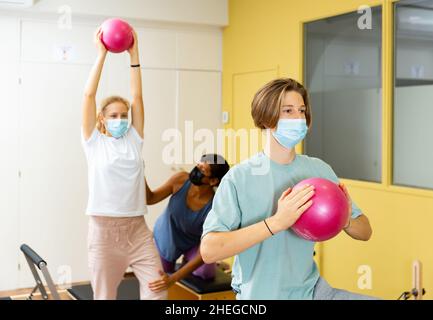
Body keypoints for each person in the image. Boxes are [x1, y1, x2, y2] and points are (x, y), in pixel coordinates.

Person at [200, 78, 378, 300]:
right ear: (266, 119)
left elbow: (365, 231)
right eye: (288, 111)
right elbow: (209, 251)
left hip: (313, 291)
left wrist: (346, 220)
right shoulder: (239, 178)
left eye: (301, 110)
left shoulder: (319, 170)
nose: (298, 118)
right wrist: (276, 222)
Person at [81, 27, 166, 300]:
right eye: (114, 115)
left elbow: (137, 96)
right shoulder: (94, 143)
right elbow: (88, 97)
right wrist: (102, 54)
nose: (120, 119)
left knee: (158, 290)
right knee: (104, 296)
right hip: (103, 233)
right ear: (103, 119)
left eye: (124, 114)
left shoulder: (134, 138)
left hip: (137, 230)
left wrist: (134, 53)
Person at [146, 154, 230, 293]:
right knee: (160, 277)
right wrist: (139, 172)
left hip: (193, 243)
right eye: (198, 165)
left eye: (202, 170)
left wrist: (173, 279)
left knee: (205, 273)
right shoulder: (180, 179)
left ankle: (207, 264)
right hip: (167, 237)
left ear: (213, 181)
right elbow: (150, 199)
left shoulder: (214, 208)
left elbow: (204, 253)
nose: (196, 170)